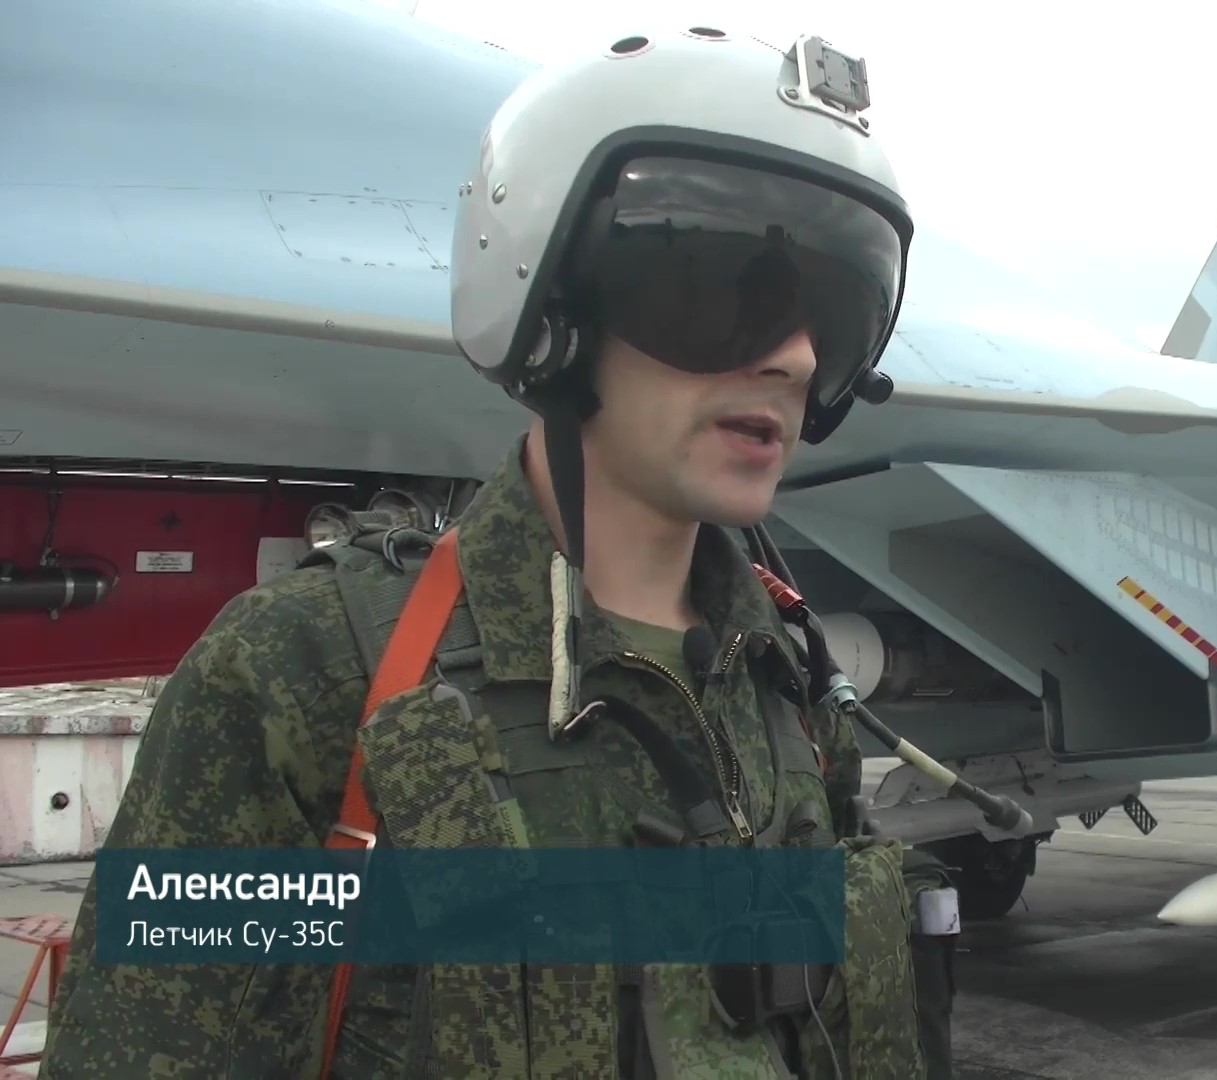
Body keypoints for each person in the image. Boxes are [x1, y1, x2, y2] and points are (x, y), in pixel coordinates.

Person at [42, 26, 958, 1079]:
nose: (793, 356)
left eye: (830, 314)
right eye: (719, 290)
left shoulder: (788, 683)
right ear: (552, 311)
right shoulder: (312, 672)